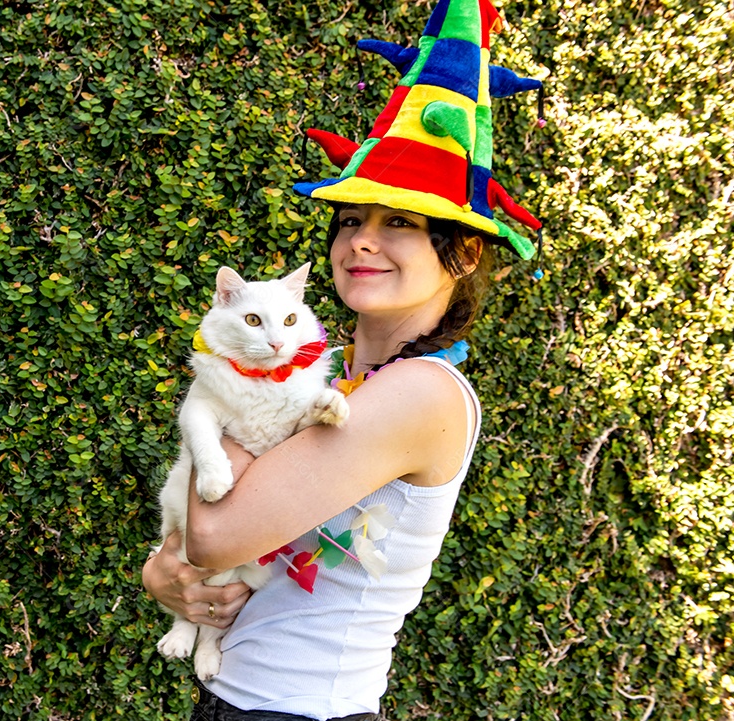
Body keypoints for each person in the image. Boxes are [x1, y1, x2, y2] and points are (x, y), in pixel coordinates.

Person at [142, 1, 546, 718]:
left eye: (400, 223)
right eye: (352, 218)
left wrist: (188, 548)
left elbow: (212, 529)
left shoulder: (422, 394)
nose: (361, 240)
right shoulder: (341, 374)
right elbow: (194, 544)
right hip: (230, 695)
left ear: (467, 250)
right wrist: (163, 573)